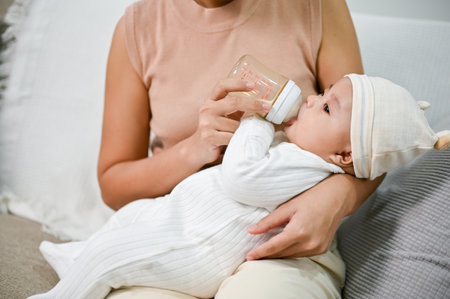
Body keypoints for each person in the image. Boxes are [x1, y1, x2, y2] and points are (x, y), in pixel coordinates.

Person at [29, 74, 450, 299]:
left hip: (200, 249)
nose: (308, 99)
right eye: (322, 92)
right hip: (181, 222)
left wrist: (256, 120)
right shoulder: (301, 149)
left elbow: (242, 175)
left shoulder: (307, 166)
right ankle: (77, 257)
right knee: (126, 223)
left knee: (112, 254)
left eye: (325, 105)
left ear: (344, 158)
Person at [97, 0, 380, 298]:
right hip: (176, 239)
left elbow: (373, 137)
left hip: (284, 245)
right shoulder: (140, 27)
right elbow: (113, 185)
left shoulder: (317, 6)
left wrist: (338, 197)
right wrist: (192, 150)